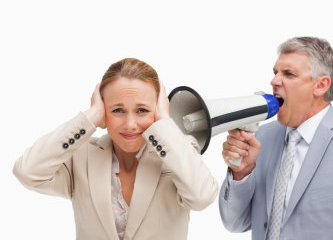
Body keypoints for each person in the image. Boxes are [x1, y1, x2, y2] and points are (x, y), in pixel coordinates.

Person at [13, 57, 218, 240]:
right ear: (104, 111)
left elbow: (202, 197)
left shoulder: (178, 151)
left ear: (158, 110)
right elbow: (27, 172)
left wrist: (165, 122)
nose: (130, 124)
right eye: (117, 110)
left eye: (142, 110)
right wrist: (90, 117)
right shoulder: (81, 156)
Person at [219, 36, 333, 239]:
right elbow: (234, 223)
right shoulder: (262, 138)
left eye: (288, 74)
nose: (274, 81)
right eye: (275, 72)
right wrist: (241, 173)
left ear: (321, 85)